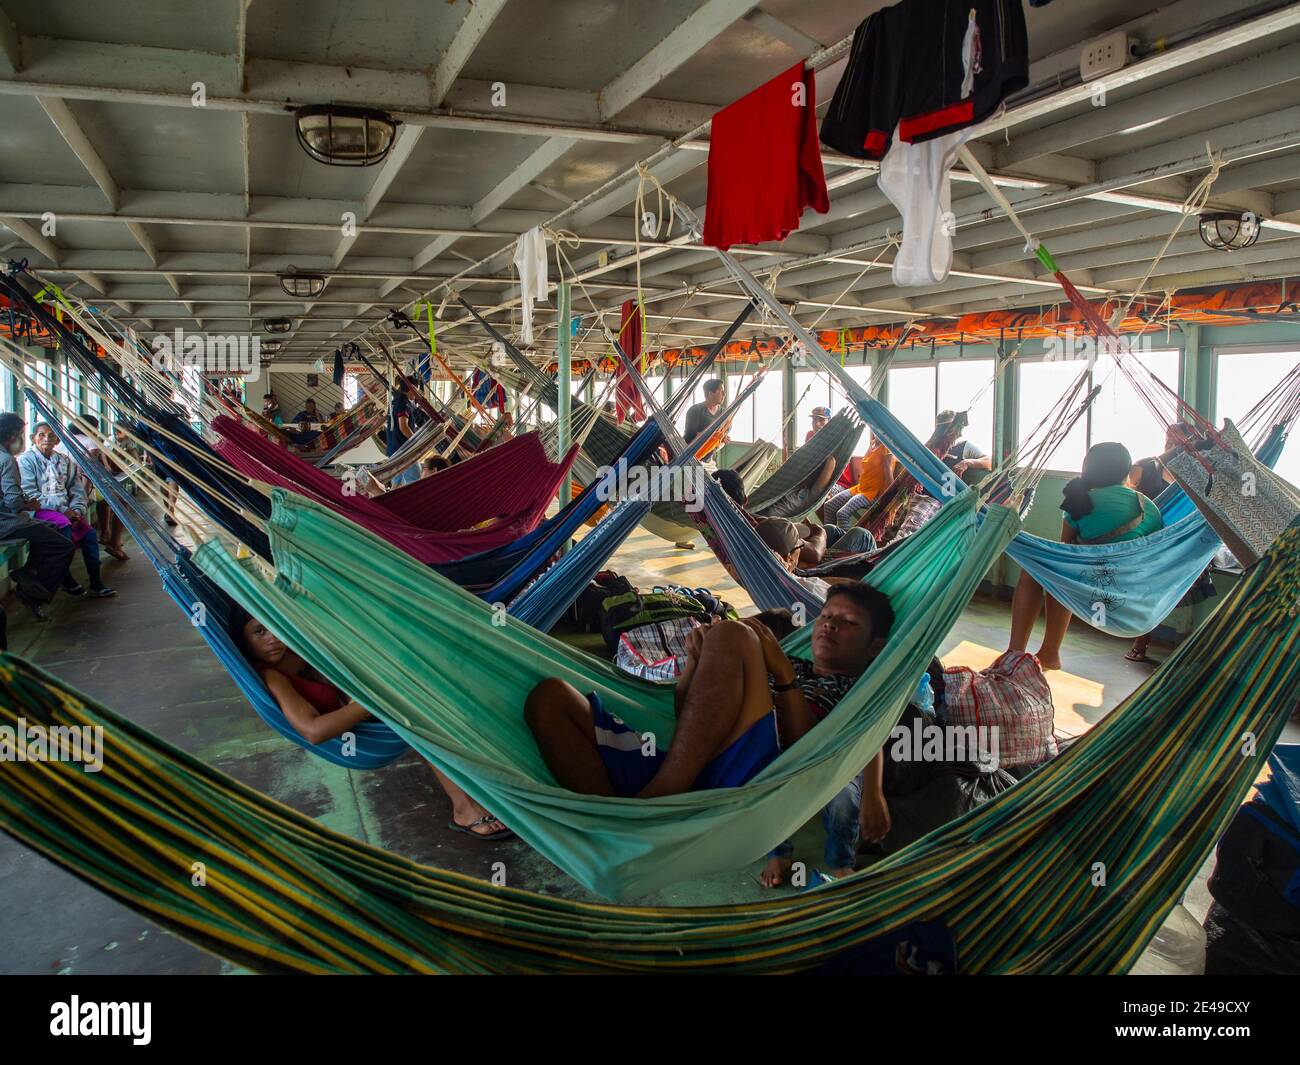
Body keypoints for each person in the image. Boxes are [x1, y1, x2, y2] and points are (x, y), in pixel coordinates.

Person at [524, 584, 892, 799]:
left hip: (754, 775)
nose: (829, 627)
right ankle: (614, 819)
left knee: (734, 632)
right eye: (826, 616)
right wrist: (695, 663)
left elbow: (804, 753)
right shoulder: (791, 660)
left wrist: (783, 678)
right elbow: (688, 714)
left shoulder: (861, 691)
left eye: (848, 623)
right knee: (550, 697)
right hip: (688, 763)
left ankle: (660, 798)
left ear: (875, 646)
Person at [234, 609, 513, 840]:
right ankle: (464, 809)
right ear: (244, 641)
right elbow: (313, 731)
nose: (273, 638)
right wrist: (367, 704)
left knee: (444, 690)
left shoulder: (293, 649)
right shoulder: (273, 677)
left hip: (367, 700)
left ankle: (482, 790)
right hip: (358, 725)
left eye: (273, 627)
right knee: (426, 721)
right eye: (259, 632)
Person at [1008, 441, 1164, 670]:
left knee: (1044, 569)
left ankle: (1020, 652)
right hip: (1133, 588)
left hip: (1091, 584)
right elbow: (1155, 549)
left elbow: (1066, 547)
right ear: (1127, 471)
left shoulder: (1080, 499)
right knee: (1062, 570)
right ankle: (1048, 653)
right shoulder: (1148, 506)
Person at [18, 423, 116, 600]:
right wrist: (64, 510)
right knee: (64, 529)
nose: (46, 439)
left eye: (51, 436)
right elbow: (30, 494)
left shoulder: (64, 461)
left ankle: (96, 582)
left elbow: (76, 489)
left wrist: (77, 509)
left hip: (67, 511)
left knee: (89, 535)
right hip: (39, 510)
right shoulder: (26, 461)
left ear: (57, 440)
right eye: (41, 435)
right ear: (33, 438)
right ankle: (66, 578)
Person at [0, 413, 75, 620]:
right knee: (64, 546)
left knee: (49, 530)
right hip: (7, 523)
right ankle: (37, 592)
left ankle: (29, 572)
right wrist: (28, 504)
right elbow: (14, 503)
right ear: (13, 436)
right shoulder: (7, 460)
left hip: (8, 519)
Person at [386, 380, 428, 486]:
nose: (417, 394)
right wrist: (417, 442)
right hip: (404, 451)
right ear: (411, 388)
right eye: (416, 390)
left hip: (394, 450)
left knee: (397, 482)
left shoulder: (395, 401)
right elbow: (403, 427)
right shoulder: (403, 403)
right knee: (415, 481)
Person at [683, 379, 728, 446]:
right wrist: (715, 436)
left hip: (709, 453)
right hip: (692, 453)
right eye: (721, 391)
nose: (724, 394)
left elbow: (724, 433)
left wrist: (724, 438)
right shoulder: (695, 411)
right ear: (711, 394)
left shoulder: (723, 413)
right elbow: (691, 437)